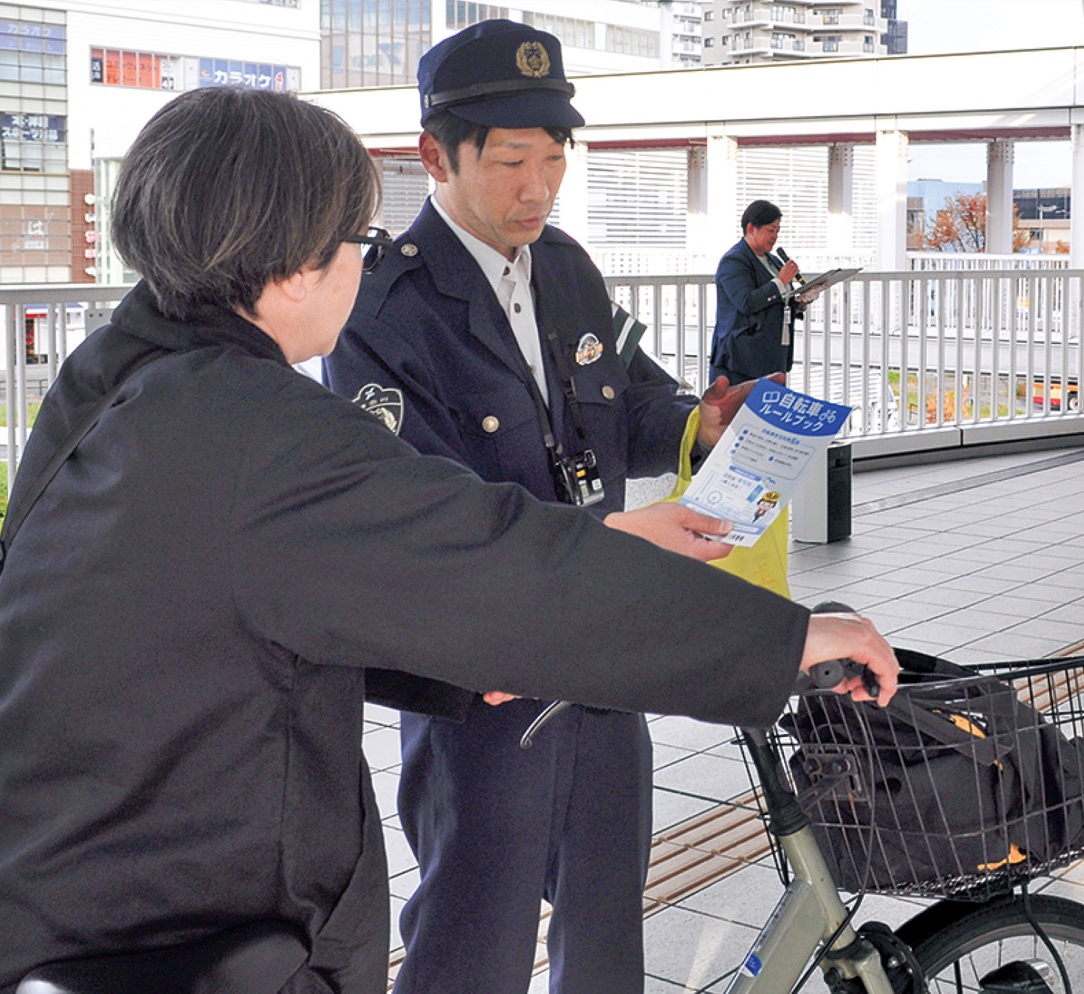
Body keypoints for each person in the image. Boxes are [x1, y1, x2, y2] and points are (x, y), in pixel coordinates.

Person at [0, 87, 897, 994]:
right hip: (180, 926)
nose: (537, 183)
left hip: (69, 888)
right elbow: (487, 556)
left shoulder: (113, 376)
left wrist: (452, 659)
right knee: (475, 928)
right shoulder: (263, 428)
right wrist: (786, 640)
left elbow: (232, 598)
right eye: (356, 239)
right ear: (298, 266)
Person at [322, 21, 829, 994]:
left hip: (604, 656)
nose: (538, 187)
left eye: (554, 158)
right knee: (474, 940)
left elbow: (627, 402)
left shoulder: (565, 267)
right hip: (485, 684)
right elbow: (424, 520)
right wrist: (617, 535)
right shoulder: (382, 310)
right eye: (511, 161)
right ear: (436, 155)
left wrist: (703, 424)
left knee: (606, 929)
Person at [711, 199, 809, 384]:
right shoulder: (734, 260)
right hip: (741, 360)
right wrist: (780, 281)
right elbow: (746, 303)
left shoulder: (773, 260)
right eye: (770, 230)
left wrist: (800, 301)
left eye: (778, 231)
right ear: (751, 228)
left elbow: (778, 299)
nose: (775, 236)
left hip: (773, 356)